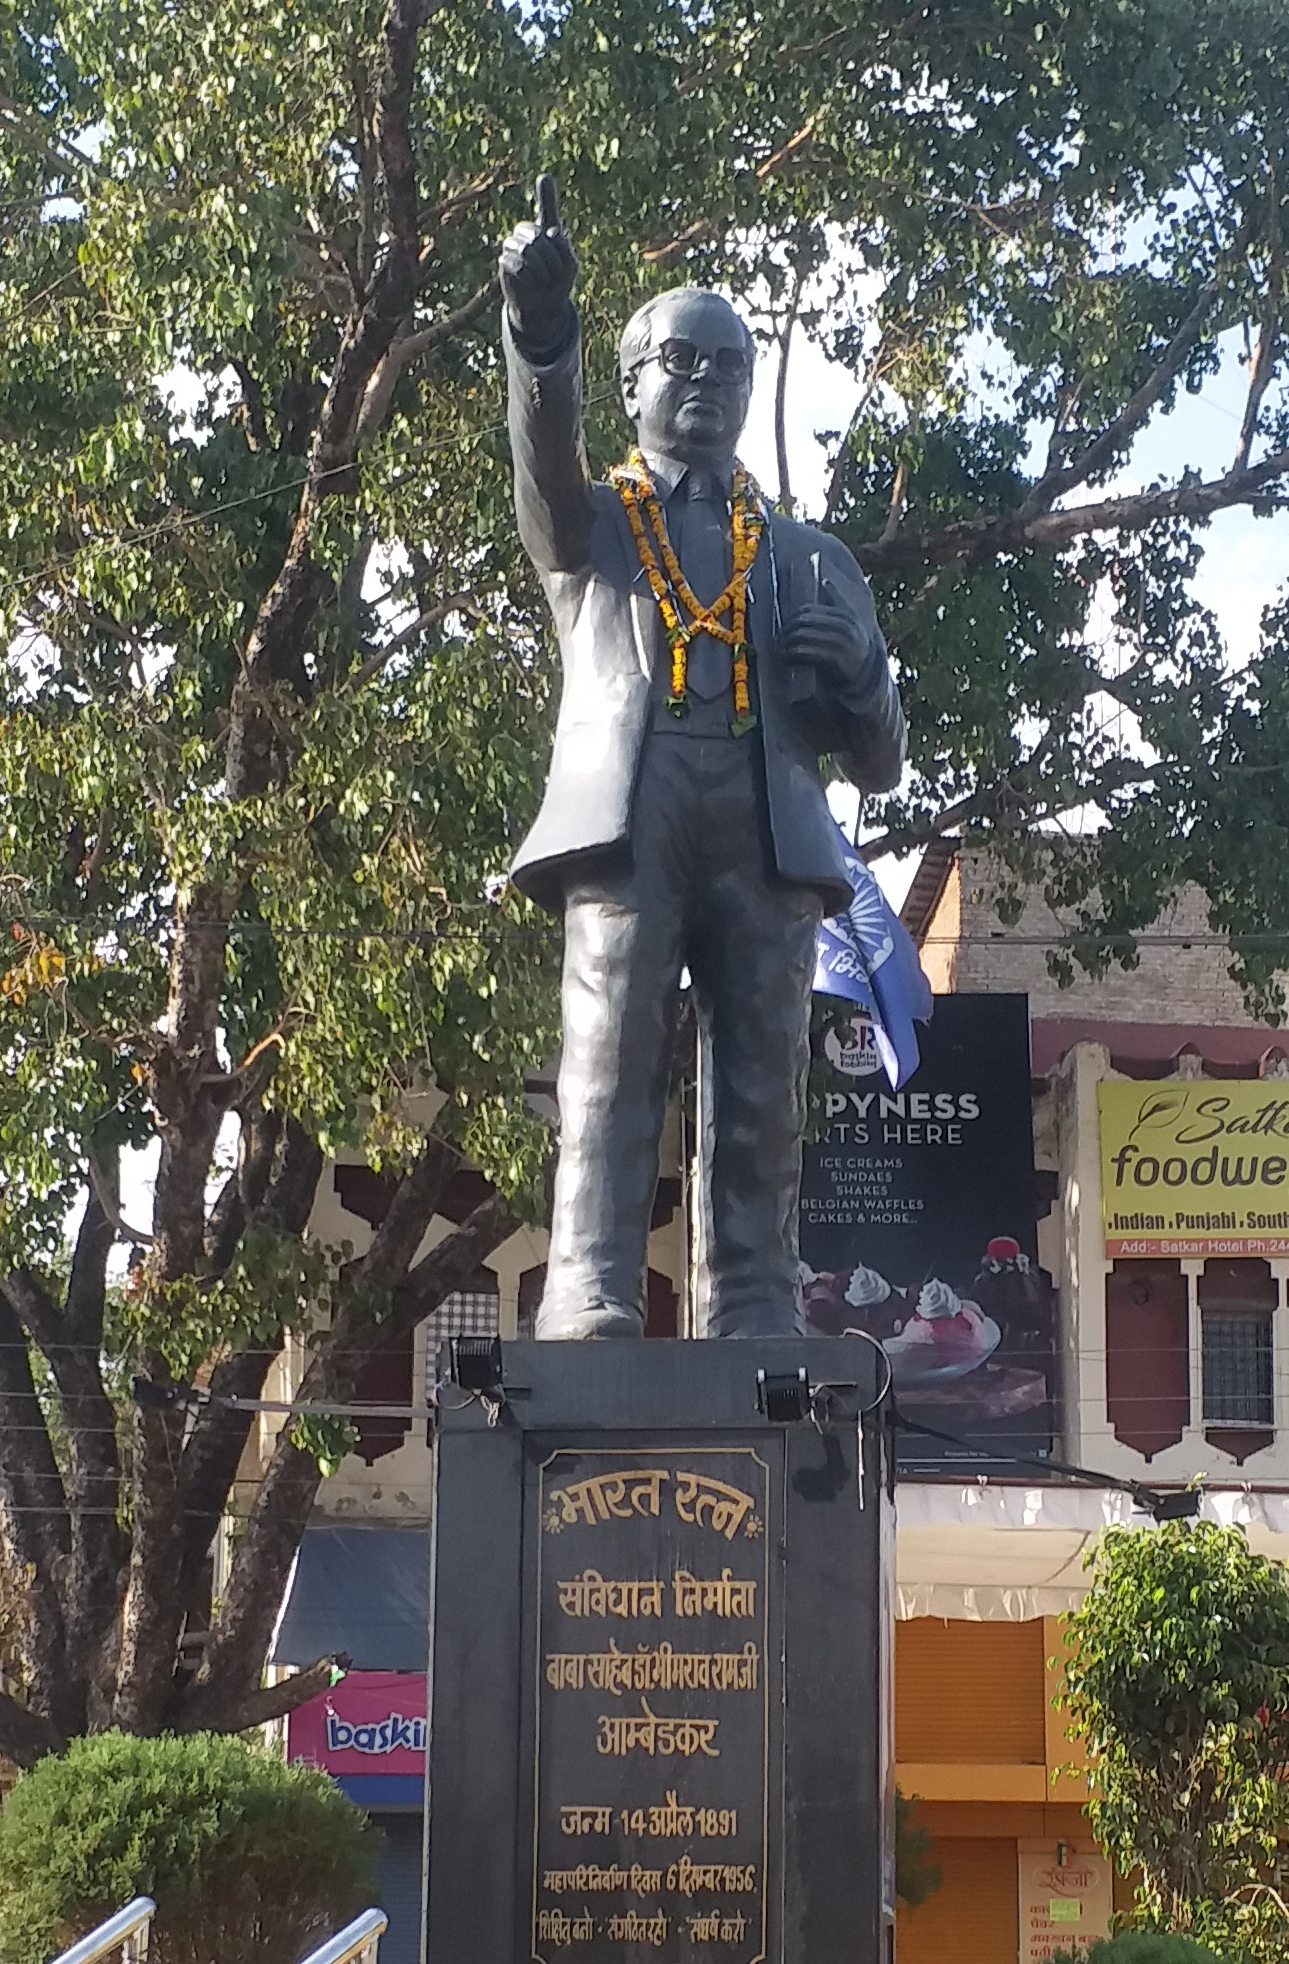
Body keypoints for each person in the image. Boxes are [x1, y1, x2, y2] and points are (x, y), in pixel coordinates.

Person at [496, 181, 909, 1340]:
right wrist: (541, 336)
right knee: (610, 1056)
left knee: (766, 1081)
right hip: (632, 813)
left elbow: (880, 763)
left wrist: (865, 674)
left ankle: (756, 1295)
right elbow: (541, 455)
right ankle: (589, 1281)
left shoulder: (810, 557)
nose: (709, 384)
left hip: (768, 825)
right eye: (682, 361)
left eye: (731, 367)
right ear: (633, 383)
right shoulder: (593, 528)